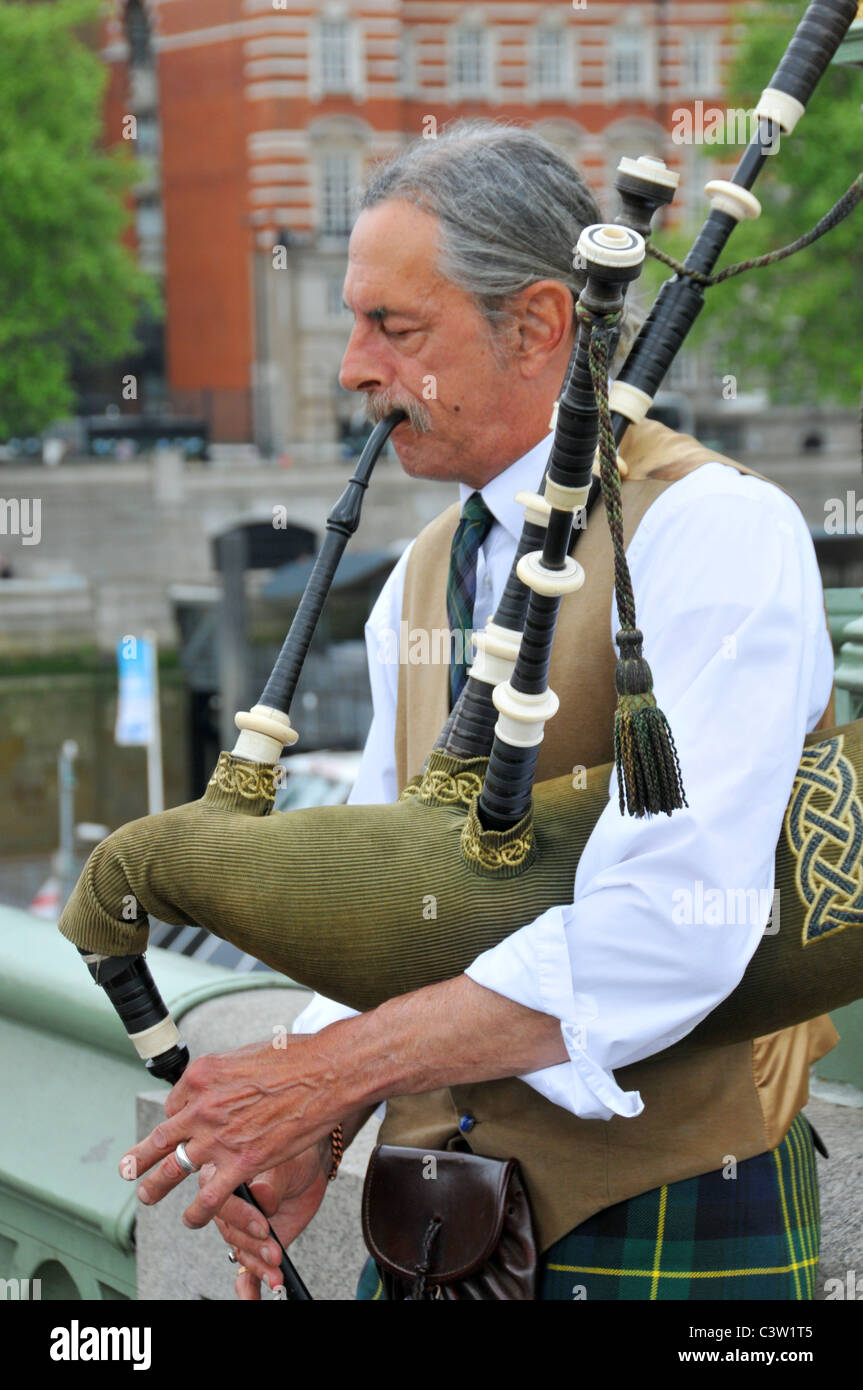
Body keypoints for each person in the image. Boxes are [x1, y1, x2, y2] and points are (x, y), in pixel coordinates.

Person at [124, 121, 837, 1300]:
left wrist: (323, 1071)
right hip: (430, 1225)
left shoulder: (713, 531)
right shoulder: (417, 577)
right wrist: (317, 1113)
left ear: (542, 324)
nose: (354, 368)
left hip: (664, 1218)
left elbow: (673, 921)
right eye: (354, 323)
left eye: (394, 329)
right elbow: (382, 903)